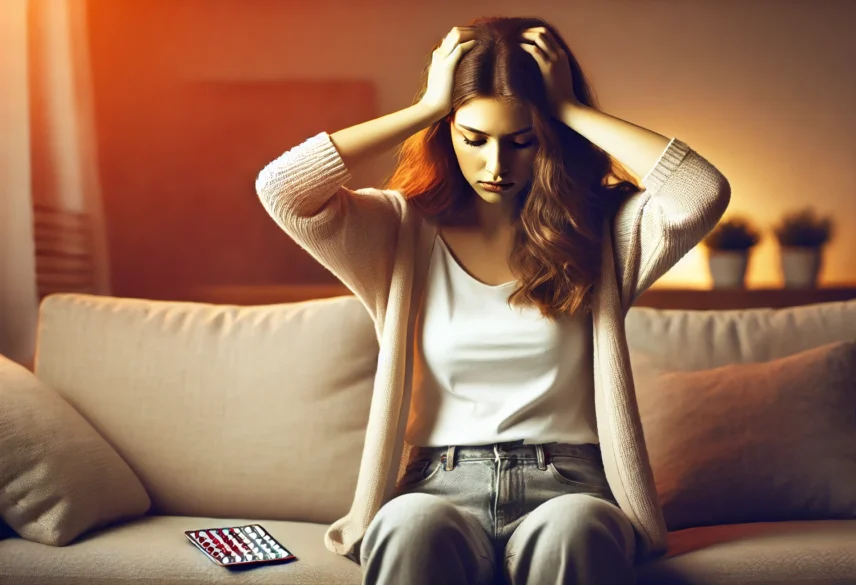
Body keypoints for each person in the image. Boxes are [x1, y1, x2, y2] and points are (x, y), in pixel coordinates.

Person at [256, 15, 730, 585]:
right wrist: (428, 106)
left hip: (569, 487)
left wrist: (572, 109)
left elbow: (702, 191)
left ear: (549, 137)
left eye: (522, 140)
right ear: (446, 132)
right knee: (407, 527)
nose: (496, 166)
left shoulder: (601, 231)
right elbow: (282, 189)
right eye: (473, 139)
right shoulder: (397, 231)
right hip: (436, 485)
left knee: (577, 530)